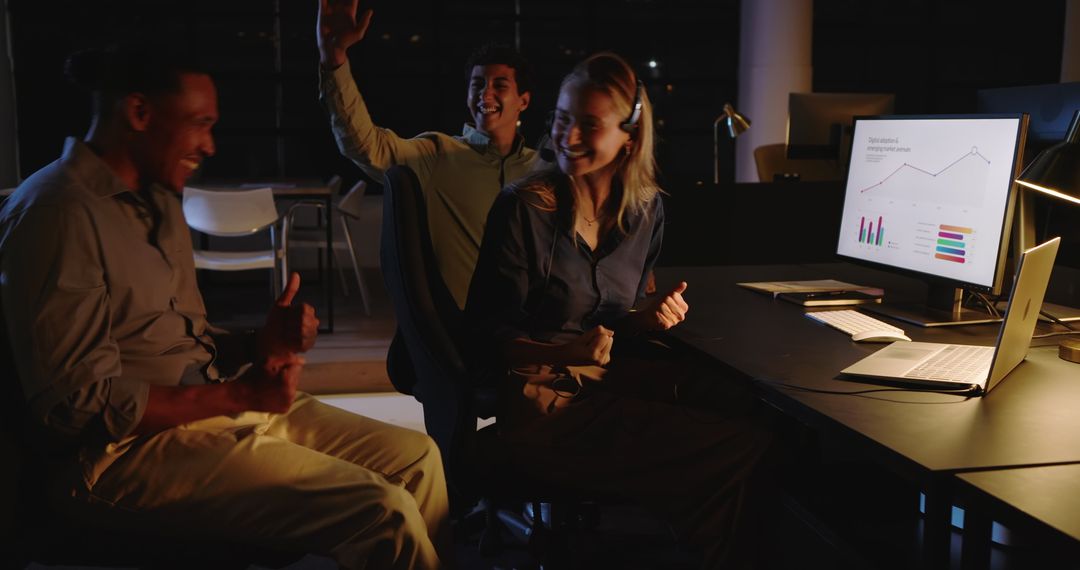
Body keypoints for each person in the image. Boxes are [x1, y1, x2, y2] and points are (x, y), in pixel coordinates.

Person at [0, 43, 449, 569]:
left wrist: (259, 344)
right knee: (382, 509)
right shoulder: (56, 212)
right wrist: (238, 393)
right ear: (140, 114)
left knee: (420, 459)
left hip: (214, 407)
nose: (210, 144)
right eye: (200, 123)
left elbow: (179, 339)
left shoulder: (159, 199)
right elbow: (75, 406)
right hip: (121, 455)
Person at [466, 52, 777, 569]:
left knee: (744, 403)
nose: (567, 138)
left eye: (589, 125)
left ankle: (706, 539)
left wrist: (643, 319)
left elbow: (611, 328)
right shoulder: (524, 207)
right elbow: (483, 338)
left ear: (628, 137)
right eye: (563, 120)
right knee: (741, 445)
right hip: (543, 397)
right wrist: (567, 349)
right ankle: (712, 545)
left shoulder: (645, 210)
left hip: (608, 377)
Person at [317, 0, 538, 309]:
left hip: (527, 332)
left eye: (499, 85)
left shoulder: (541, 169)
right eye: (477, 84)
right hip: (458, 329)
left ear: (523, 101)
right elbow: (366, 146)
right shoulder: (438, 154)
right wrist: (334, 60)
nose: (485, 93)